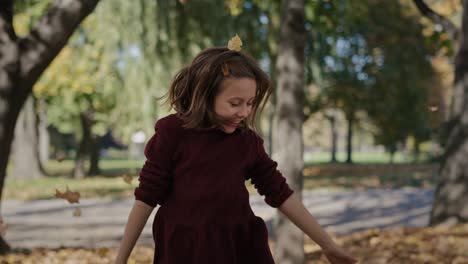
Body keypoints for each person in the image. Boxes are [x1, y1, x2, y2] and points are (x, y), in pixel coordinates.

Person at [115, 36, 357, 264]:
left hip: (237, 247)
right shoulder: (173, 134)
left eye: (250, 103)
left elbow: (281, 194)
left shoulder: (246, 141)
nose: (244, 112)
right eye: (235, 103)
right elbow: (145, 199)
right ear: (206, 96)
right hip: (185, 249)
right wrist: (120, 259)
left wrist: (327, 244)